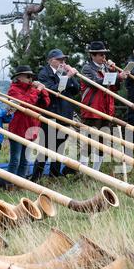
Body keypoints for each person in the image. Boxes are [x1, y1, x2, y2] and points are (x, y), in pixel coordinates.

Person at [31, 49, 80, 181]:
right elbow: (52, 91)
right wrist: (67, 77)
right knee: (45, 148)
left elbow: (76, 89)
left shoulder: (64, 72)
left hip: (65, 114)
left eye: (63, 60)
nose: (62, 62)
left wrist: (71, 76)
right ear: (50, 60)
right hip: (51, 114)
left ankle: (54, 175)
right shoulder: (43, 73)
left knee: (59, 147)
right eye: (59, 60)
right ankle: (36, 177)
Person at [80, 41, 128, 171]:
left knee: (102, 143)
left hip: (106, 110)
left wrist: (118, 77)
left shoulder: (106, 68)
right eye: (101, 55)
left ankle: (96, 171)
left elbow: (114, 87)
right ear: (93, 56)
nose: (104, 58)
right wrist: (116, 76)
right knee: (88, 143)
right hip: (92, 110)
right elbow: (96, 83)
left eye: (104, 55)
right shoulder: (87, 68)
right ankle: (83, 171)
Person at [7, 65, 51, 184]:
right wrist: (36, 90)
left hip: (31, 129)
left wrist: (43, 91)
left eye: (31, 76)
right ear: (19, 77)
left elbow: (46, 103)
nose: (30, 79)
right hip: (17, 129)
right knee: (15, 160)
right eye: (27, 76)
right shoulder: (13, 90)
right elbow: (25, 104)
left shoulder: (32, 89)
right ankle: (10, 184)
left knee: (25, 160)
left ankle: (21, 184)